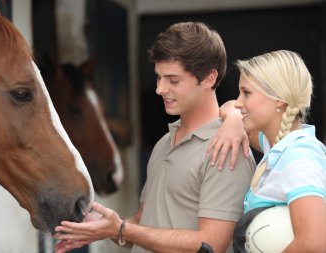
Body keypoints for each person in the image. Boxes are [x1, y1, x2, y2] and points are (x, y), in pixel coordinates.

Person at [53, 21, 255, 253]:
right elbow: (144, 222)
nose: (160, 89)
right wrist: (103, 228)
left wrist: (120, 229)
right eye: (159, 77)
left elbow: (210, 245)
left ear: (209, 78)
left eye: (173, 80)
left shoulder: (227, 147)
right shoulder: (164, 143)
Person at [214, 50, 326, 252]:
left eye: (246, 93)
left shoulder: (298, 155)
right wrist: (233, 118)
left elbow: (314, 242)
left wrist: (235, 118)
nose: (238, 102)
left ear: (278, 99)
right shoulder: (278, 144)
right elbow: (228, 107)